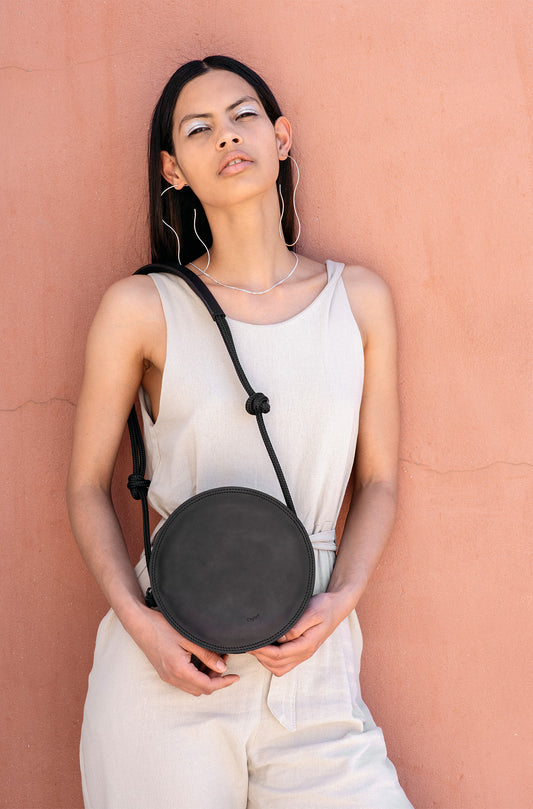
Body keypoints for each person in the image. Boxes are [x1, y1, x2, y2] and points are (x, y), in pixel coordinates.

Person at [67, 55, 413, 809]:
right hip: (170, 664)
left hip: (313, 668)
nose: (226, 136)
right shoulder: (142, 307)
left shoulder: (357, 300)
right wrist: (141, 625)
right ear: (173, 169)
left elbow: (380, 480)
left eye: (243, 115)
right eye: (198, 129)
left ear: (281, 138)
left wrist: (341, 599)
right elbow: (86, 485)